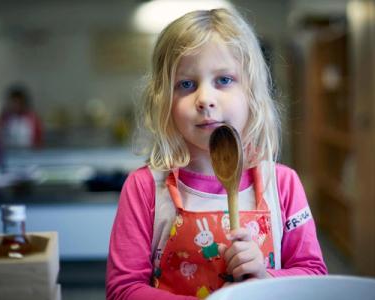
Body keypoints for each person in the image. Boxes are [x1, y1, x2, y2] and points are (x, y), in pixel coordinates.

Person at [106, 8, 327, 300]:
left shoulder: (282, 185)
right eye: (186, 84)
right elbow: (123, 290)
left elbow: (314, 275)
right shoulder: (145, 189)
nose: (205, 99)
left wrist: (265, 277)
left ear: (251, 92)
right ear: (164, 101)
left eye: (223, 80)